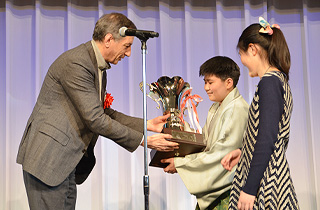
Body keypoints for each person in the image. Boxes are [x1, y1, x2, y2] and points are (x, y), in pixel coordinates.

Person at [16, 13, 178, 210]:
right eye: (127, 46)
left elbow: (103, 112)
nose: (128, 54)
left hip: (66, 163)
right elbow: (95, 119)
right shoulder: (77, 63)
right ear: (109, 39)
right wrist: (144, 140)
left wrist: (147, 125)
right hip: (48, 160)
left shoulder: (96, 66)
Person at [221, 17, 300, 210]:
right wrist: (244, 152)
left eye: (241, 54)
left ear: (253, 49)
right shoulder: (279, 80)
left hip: (266, 182)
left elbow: (267, 138)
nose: (242, 61)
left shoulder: (270, 82)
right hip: (270, 175)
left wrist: (249, 188)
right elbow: (266, 134)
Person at [161, 56, 249, 210]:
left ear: (229, 82)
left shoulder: (237, 109)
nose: (206, 88)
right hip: (217, 189)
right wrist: (181, 127)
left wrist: (180, 164)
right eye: (205, 82)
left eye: (210, 82)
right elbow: (205, 142)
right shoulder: (217, 107)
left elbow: (222, 155)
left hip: (229, 190)